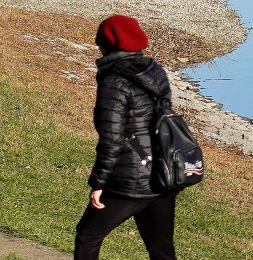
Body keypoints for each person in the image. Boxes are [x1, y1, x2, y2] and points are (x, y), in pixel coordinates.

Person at [75, 14, 179, 260]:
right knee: (160, 246)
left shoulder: (114, 81)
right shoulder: (155, 71)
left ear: (107, 44)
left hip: (130, 179)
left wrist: (98, 184)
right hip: (163, 174)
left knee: (88, 236)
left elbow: (112, 139)